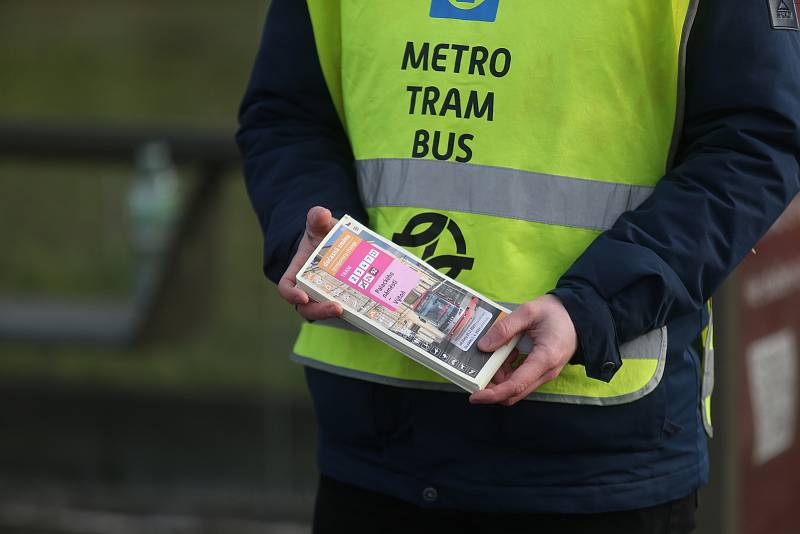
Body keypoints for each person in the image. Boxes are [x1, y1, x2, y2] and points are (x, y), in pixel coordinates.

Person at [237, 0, 800, 532]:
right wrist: (309, 235)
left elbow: (755, 142)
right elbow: (289, 113)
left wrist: (595, 305)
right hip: (374, 440)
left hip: (593, 461)